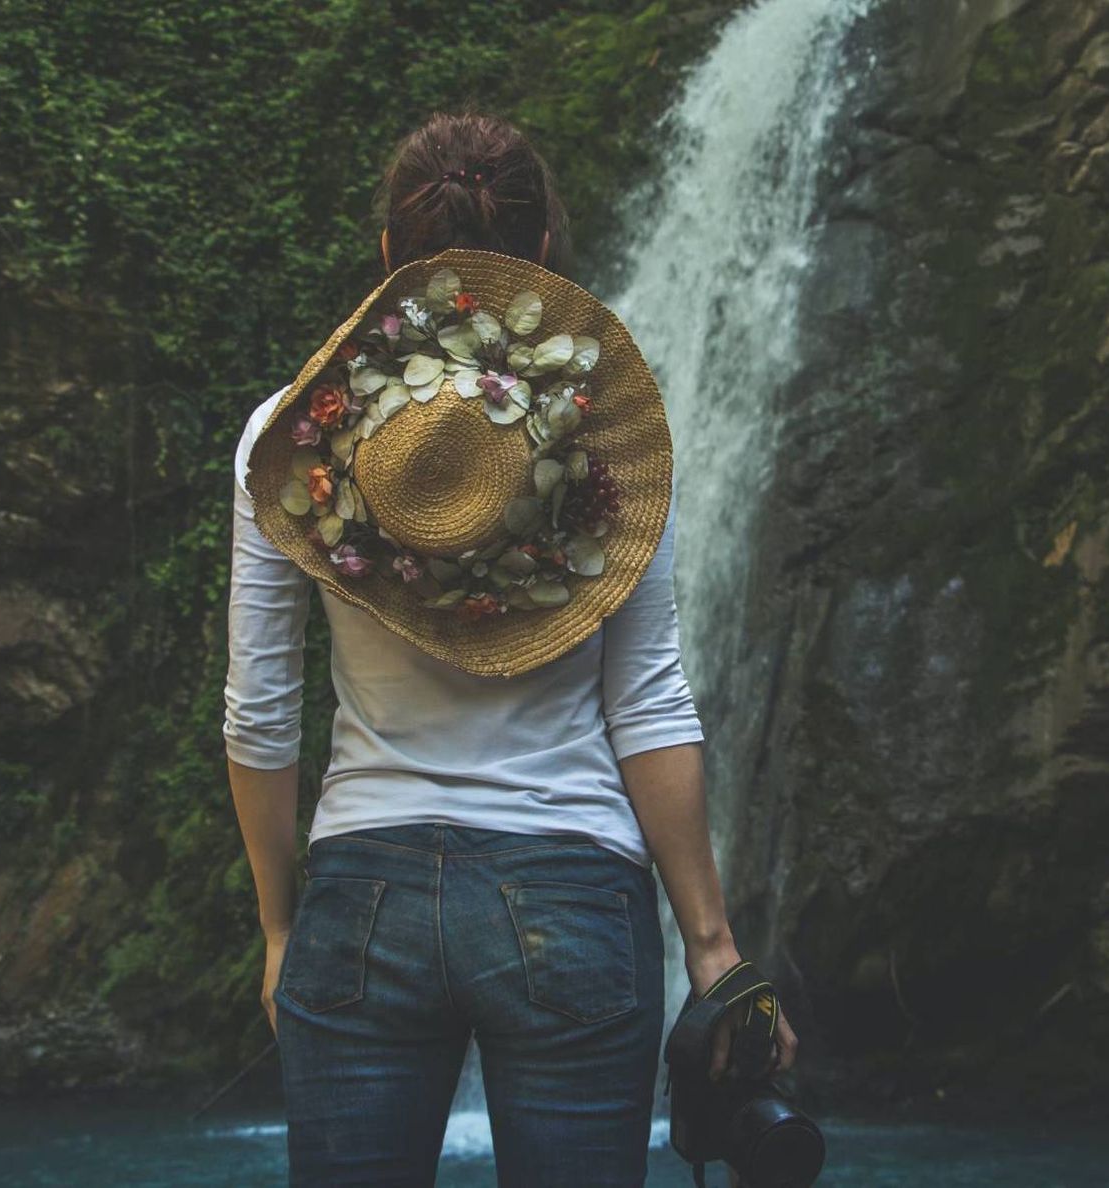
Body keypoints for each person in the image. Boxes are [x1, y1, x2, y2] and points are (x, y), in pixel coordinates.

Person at [222, 109, 797, 1187]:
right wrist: (712, 944)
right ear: (542, 255)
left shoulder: (287, 439)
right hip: (573, 888)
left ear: (391, 257)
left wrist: (277, 924)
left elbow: (257, 708)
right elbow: (651, 703)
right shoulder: (611, 437)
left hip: (363, 890)